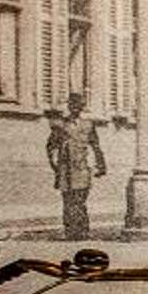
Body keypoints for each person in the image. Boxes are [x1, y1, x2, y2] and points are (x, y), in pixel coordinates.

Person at [44, 91, 106, 240]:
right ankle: (70, 231)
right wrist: (55, 165)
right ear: (69, 106)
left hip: (82, 168)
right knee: (68, 201)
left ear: (82, 107)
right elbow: (50, 146)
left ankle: (82, 231)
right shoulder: (60, 126)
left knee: (80, 200)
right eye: (73, 105)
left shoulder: (88, 125)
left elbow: (96, 146)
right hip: (65, 169)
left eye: (79, 106)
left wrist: (101, 165)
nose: (76, 108)